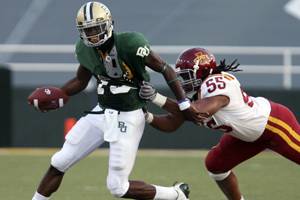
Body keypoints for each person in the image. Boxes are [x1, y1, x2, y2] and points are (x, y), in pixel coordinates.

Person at [30, 2, 201, 200]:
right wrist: (61, 94)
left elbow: (164, 68)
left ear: (110, 23)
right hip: (101, 111)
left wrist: (184, 103)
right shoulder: (84, 49)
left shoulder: (130, 43)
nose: (92, 34)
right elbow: (80, 80)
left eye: (96, 28)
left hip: (129, 114)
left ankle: (175, 195)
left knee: (118, 187)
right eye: (87, 30)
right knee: (59, 161)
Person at [139, 47, 300, 200]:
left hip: (273, 124)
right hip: (247, 136)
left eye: (187, 76)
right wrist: (146, 116)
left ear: (201, 72)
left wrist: (155, 97)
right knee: (216, 164)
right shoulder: (195, 95)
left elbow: (196, 112)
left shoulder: (215, 82)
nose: (183, 82)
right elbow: (172, 123)